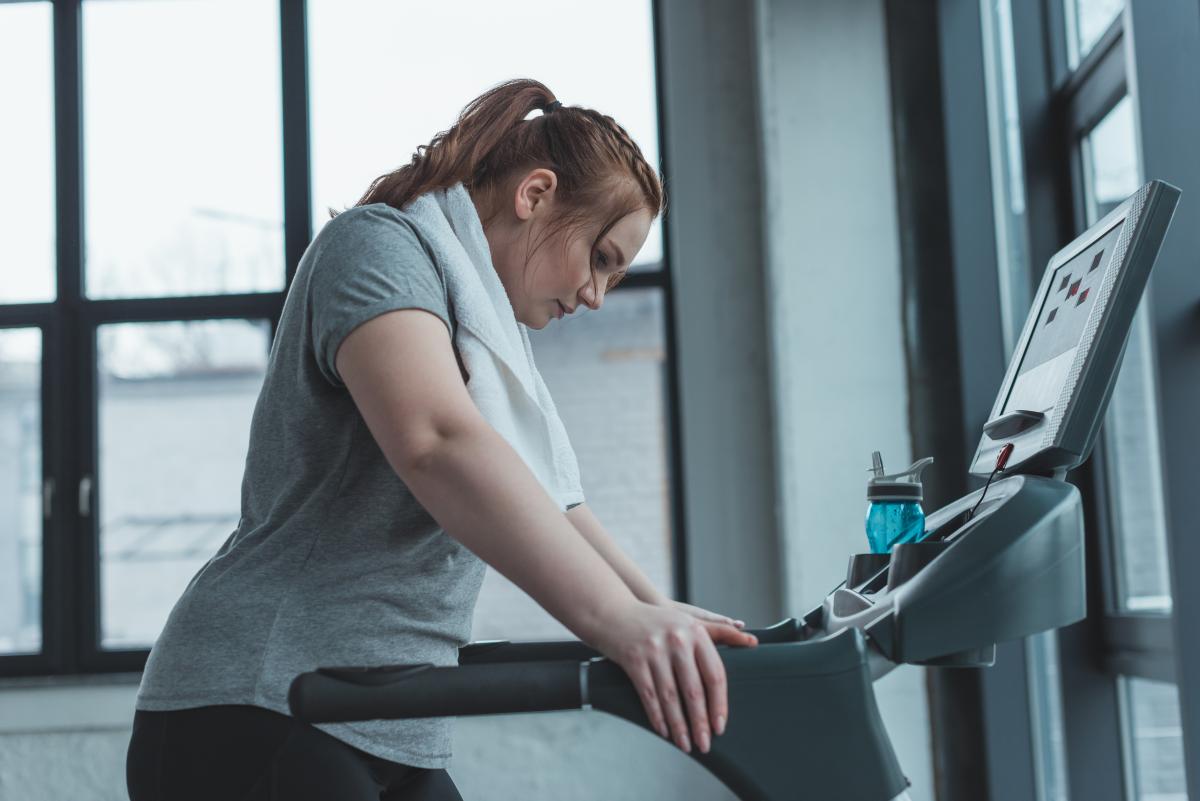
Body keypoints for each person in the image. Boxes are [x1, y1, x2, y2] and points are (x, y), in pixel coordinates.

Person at [125, 78, 758, 801]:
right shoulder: (377, 246)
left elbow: (553, 500)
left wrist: (656, 610)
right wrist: (618, 623)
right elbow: (438, 442)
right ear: (535, 194)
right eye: (602, 257)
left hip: (382, 714)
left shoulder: (485, 328)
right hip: (259, 699)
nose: (595, 294)